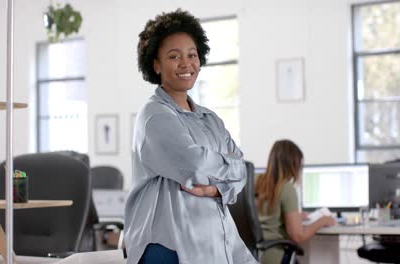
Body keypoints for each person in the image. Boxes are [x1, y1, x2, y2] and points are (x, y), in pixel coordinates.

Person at [124, 9, 257, 264]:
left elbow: (242, 171)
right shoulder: (154, 115)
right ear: (156, 64)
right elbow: (193, 163)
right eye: (174, 56)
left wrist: (215, 189)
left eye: (192, 55)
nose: (186, 63)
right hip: (168, 245)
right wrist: (225, 168)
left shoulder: (210, 120)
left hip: (214, 242)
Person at [255, 139, 336, 264]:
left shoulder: (257, 181)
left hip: (252, 255)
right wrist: (323, 220)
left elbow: (269, 215)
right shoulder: (286, 188)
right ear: (293, 164)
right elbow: (297, 236)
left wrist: (295, 216)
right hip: (276, 256)